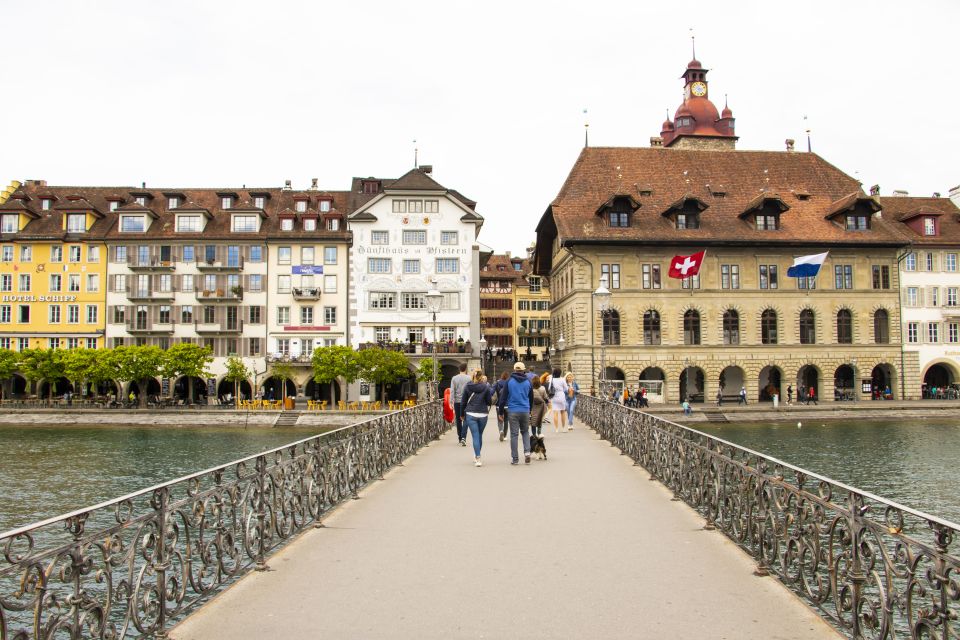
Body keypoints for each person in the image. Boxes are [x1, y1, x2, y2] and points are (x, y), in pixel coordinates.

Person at [497, 361, 534, 464]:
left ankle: (515, 458)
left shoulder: (509, 381)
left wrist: (500, 412)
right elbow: (531, 398)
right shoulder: (528, 382)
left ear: (514, 370)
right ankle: (527, 453)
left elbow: (503, 398)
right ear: (524, 370)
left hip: (513, 410)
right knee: (525, 432)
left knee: (514, 435)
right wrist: (530, 409)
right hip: (525, 410)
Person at [460, 370, 494, 467]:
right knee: (479, 435)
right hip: (483, 414)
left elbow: (463, 402)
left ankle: (478, 457)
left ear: (472, 376)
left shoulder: (468, 386)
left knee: (475, 436)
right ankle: (476, 455)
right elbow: (489, 402)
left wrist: (462, 414)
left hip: (470, 413)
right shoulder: (486, 387)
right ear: (481, 376)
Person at [450, 363, 471, 447]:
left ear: (459, 369)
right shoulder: (469, 378)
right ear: (465, 369)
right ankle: (464, 437)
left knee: (458, 420)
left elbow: (452, 391)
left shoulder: (454, 378)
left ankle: (460, 437)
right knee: (466, 419)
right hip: (467, 401)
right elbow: (470, 389)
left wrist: (451, 401)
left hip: (457, 402)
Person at [547, 367, 569, 433]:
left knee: (555, 413)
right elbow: (566, 389)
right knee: (562, 412)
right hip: (561, 396)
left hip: (554, 397)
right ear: (560, 373)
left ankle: (556, 429)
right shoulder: (562, 379)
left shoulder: (551, 379)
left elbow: (549, 388)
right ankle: (563, 428)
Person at [494, 371, 510, 441]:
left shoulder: (497, 383)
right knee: (506, 420)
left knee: (499, 420)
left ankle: (501, 431)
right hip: (507, 405)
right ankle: (505, 435)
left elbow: (492, 392)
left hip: (499, 404)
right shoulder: (509, 384)